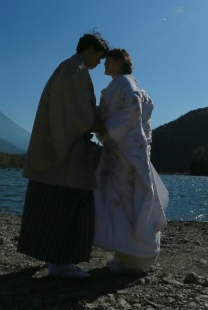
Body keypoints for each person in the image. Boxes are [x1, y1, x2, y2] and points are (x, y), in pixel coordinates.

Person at [17, 31, 109, 278]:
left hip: (59, 149)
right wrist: (104, 121)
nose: (99, 64)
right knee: (69, 201)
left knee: (52, 203)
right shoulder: (73, 69)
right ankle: (60, 263)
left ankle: (56, 259)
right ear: (89, 50)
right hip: (63, 153)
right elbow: (76, 115)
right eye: (98, 58)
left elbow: (77, 111)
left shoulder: (73, 68)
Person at [93, 48, 169, 273]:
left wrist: (105, 126)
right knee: (126, 200)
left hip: (125, 154)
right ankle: (128, 255)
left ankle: (134, 257)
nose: (105, 65)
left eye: (108, 61)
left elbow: (132, 110)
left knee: (127, 200)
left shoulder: (126, 84)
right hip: (123, 150)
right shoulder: (122, 84)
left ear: (118, 62)